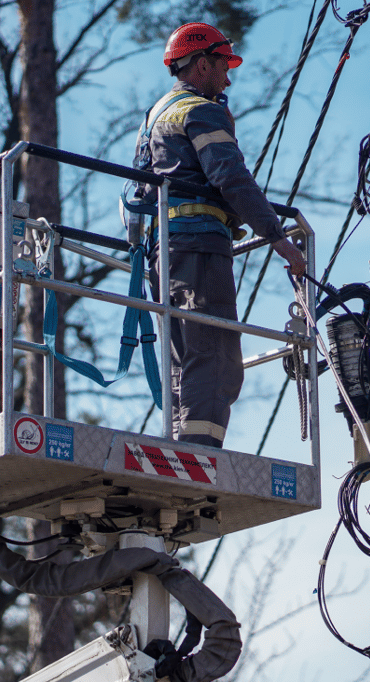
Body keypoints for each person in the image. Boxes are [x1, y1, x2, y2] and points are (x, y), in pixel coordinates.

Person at [131, 21, 305, 449]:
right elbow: (230, 176)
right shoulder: (200, 109)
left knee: (185, 358)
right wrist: (277, 238)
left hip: (163, 255)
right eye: (225, 66)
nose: (229, 78)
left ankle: (182, 447)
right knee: (218, 357)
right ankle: (199, 457)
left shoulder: (155, 116)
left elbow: (137, 191)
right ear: (204, 63)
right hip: (200, 249)